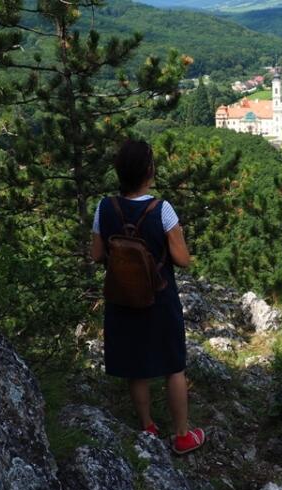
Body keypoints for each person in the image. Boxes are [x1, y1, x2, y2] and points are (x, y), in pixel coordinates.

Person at [90, 140, 205, 455]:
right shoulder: (162, 209)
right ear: (149, 172)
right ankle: (182, 435)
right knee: (173, 366)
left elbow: (96, 253)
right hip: (159, 299)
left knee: (135, 366)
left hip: (122, 298)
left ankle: (148, 428)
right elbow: (182, 260)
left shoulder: (104, 207)